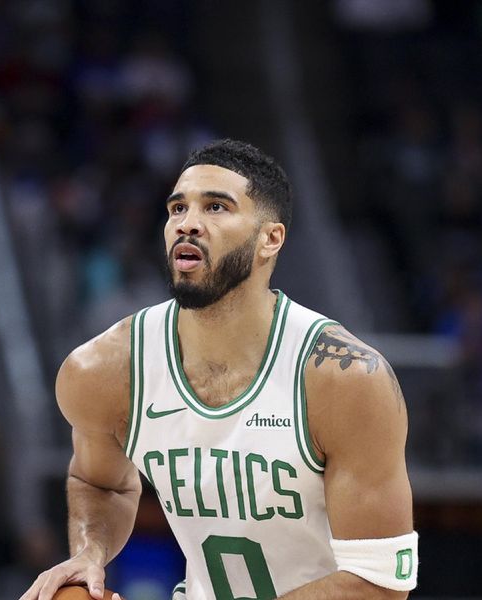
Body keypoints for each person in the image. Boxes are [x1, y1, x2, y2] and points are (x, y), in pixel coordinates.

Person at [22, 139, 418, 600]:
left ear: (270, 239)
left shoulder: (344, 378)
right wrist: (90, 551)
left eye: (215, 207)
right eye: (177, 209)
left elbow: (378, 583)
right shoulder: (105, 370)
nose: (187, 224)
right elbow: (99, 482)